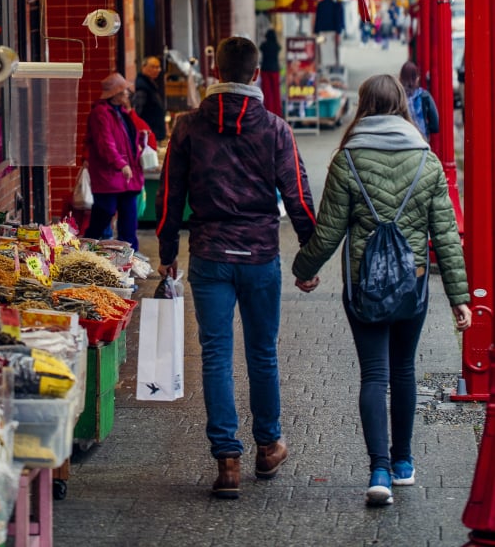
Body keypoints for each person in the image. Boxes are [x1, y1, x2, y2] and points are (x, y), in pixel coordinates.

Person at [292, 74, 470, 508]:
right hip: (412, 285)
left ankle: (379, 472)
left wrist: (304, 270)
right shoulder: (426, 161)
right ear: (404, 108)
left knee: (374, 374)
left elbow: (330, 230)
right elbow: (445, 234)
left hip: (363, 286)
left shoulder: (347, 159)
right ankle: (404, 462)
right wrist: (459, 298)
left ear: (363, 106)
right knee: (404, 370)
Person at [156, 36, 317, 500]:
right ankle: (268, 447)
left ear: (216, 69)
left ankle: (227, 461)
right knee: (263, 355)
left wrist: (167, 253)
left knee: (215, 356)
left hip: (209, 256)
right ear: (254, 72)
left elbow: (171, 196)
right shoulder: (275, 129)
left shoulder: (188, 127)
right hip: (260, 256)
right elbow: (298, 197)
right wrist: (308, 258)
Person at [84, 73, 146, 250]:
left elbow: (127, 139)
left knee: (129, 217)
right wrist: (121, 164)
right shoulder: (101, 113)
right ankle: (88, 247)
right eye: (125, 91)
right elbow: (105, 144)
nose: (127, 94)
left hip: (126, 176)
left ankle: (129, 253)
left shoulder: (122, 113)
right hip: (109, 175)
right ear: (116, 93)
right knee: (104, 213)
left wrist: (141, 145)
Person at [399, 61, 439, 149]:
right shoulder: (424, 95)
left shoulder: (397, 95)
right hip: (421, 140)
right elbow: (435, 125)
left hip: (401, 139)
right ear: (416, 78)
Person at [133, 56, 167, 147]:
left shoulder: (150, 83)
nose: (157, 70)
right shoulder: (142, 87)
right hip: (148, 134)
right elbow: (137, 110)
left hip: (154, 133)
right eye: (153, 67)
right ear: (143, 67)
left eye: (158, 67)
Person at [259, 28, 282, 117]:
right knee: (276, 92)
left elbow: (260, 47)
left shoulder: (263, 45)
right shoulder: (277, 46)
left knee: (266, 92)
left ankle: (267, 110)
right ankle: (277, 112)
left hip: (265, 70)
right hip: (275, 70)